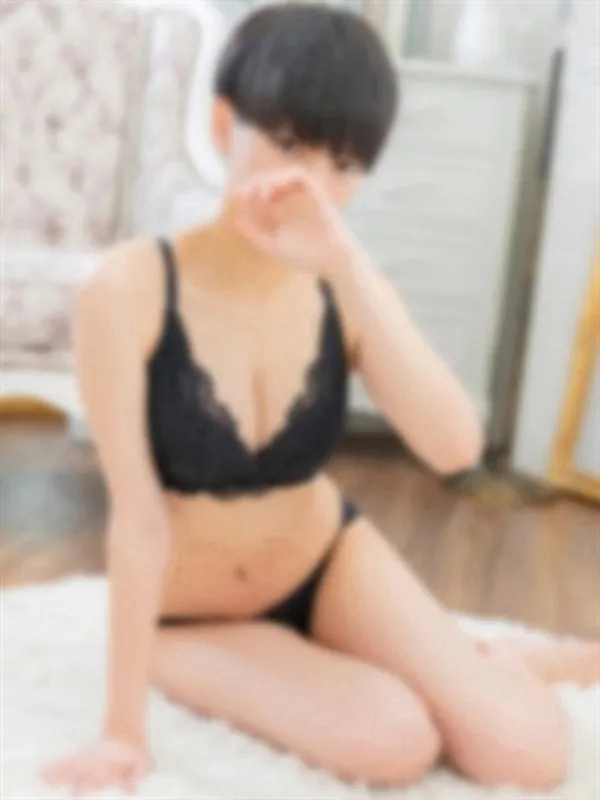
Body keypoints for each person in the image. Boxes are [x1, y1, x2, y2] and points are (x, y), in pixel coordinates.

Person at [42, 3, 599, 795]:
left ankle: (497, 658)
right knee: (394, 739)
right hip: (194, 615)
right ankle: (411, 657)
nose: (312, 184)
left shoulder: (339, 284)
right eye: (288, 143)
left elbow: (455, 448)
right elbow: (137, 517)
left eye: (343, 163)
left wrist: (345, 263)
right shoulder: (128, 289)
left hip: (326, 559)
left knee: (529, 754)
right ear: (223, 123)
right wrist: (121, 730)